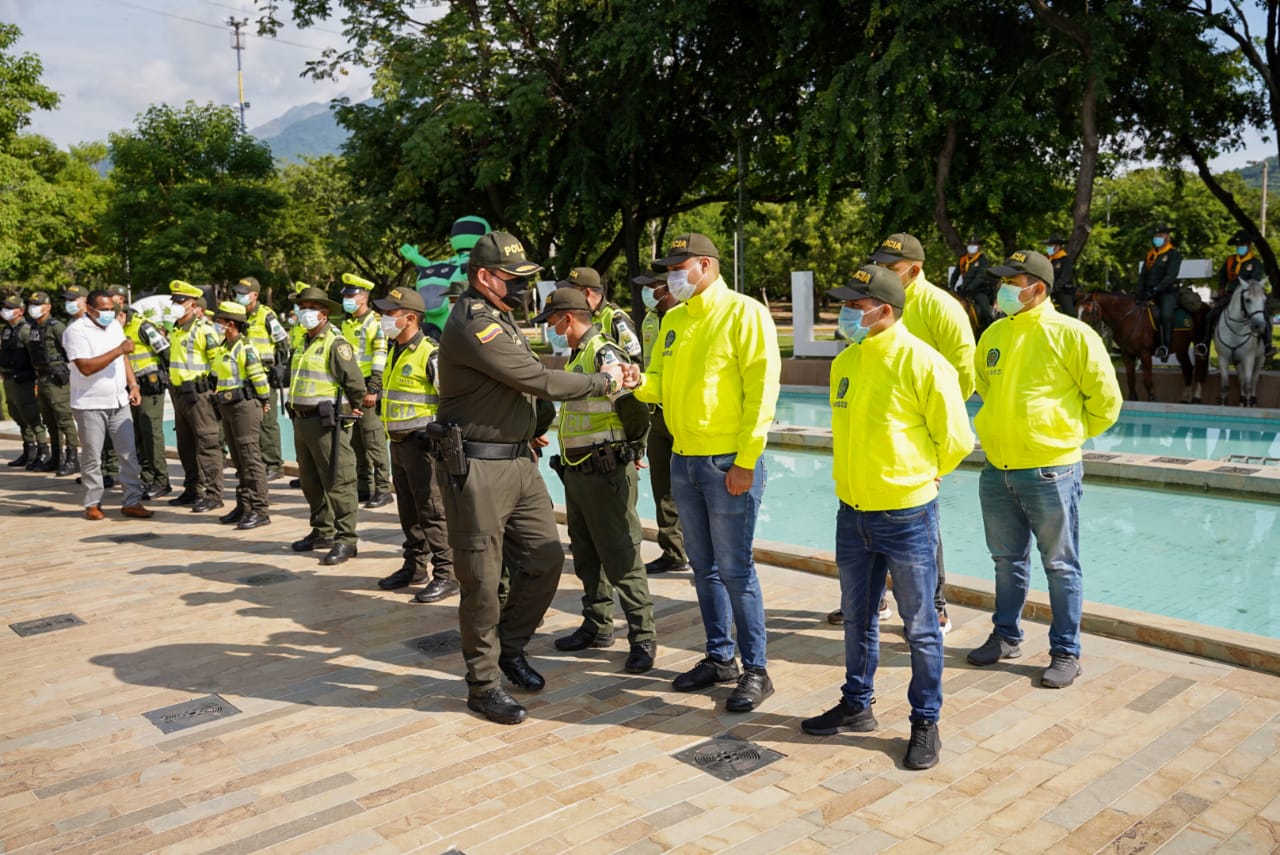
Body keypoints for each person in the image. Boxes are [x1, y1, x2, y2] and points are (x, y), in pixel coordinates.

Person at [435, 231, 627, 726]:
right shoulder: (474, 323)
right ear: (484, 277)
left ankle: (509, 648)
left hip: (519, 464)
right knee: (480, 580)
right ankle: (482, 684)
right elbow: (536, 379)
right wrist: (603, 382)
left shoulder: (501, 318)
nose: (524, 288)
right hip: (478, 468)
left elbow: (529, 384)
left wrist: (537, 428)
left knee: (544, 558)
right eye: (514, 278)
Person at [800, 264, 972, 771]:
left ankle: (925, 721)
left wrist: (924, 475)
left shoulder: (923, 362)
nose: (846, 313)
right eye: (847, 304)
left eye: (855, 305)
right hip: (852, 513)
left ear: (884, 310)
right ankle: (857, 704)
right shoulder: (846, 362)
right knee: (857, 619)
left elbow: (958, 439)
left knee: (920, 627)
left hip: (906, 515)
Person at [634, 233, 782, 713]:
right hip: (684, 458)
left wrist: (745, 460)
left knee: (737, 570)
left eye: (678, 267)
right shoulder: (673, 320)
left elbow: (762, 394)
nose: (671, 277)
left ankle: (756, 669)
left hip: (727, 463)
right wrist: (632, 380)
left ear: (704, 264)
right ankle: (720, 658)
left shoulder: (744, 314)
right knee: (704, 569)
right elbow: (657, 383)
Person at [966, 251, 1122, 688]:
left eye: (1012, 282)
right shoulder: (994, 333)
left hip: (1051, 472)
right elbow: (985, 387)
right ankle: (1006, 636)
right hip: (997, 470)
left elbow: (1106, 403)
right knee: (1006, 561)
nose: (1003, 291)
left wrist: (1060, 438)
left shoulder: (1072, 334)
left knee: (1060, 565)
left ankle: (1066, 652)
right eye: (1002, 283)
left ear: (1037, 287)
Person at [826, 233, 978, 632]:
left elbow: (962, 373)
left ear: (914, 269)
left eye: (890, 268)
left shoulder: (943, 307)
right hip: (878, 433)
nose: (881, 271)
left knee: (922, 530)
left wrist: (933, 437)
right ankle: (869, 603)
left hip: (924, 429)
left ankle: (936, 605)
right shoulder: (869, 305)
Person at [539, 288, 657, 673]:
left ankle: (643, 638)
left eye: (553, 322)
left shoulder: (604, 353)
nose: (551, 330)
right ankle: (597, 624)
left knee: (622, 554)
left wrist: (633, 451)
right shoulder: (577, 357)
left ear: (568, 319)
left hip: (607, 473)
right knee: (587, 555)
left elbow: (635, 410)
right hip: (578, 472)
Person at [372, 286, 458, 603]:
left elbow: (450, 400)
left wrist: (436, 434)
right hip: (398, 442)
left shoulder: (430, 353)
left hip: (422, 446)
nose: (383, 319)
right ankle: (414, 567)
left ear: (410, 318)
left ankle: (447, 574)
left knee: (432, 511)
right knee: (408, 511)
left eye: (389, 314)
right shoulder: (396, 350)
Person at [288, 286, 367, 565]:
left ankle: (346, 539)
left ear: (323, 313)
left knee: (338, 480)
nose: (304, 312)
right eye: (302, 307)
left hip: (326, 422)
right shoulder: (302, 341)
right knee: (311, 481)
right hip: (302, 420)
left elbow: (355, 382)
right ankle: (322, 530)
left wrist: (355, 409)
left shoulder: (335, 343)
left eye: (310, 307)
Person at [63, 289, 152, 520]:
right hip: (89, 403)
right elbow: (86, 367)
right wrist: (119, 350)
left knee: (128, 454)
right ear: (90, 309)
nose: (109, 314)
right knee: (93, 456)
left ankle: (132, 501)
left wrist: (133, 384)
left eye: (111, 309)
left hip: (119, 400)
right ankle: (93, 503)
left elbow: (124, 358)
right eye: (103, 310)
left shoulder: (114, 327)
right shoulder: (75, 332)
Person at [635, 271, 689, 575]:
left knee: (695, 485)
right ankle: (673, 551)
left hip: (683, 414)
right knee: (662, 486)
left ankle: (705, 554)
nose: (647, 292)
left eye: (651, 287)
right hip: (656, 411)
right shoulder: (650, 319)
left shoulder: (686, 317)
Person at [209, 301, 272, 530]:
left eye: (220, 321)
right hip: (228, 407)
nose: (217, 325)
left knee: (250, 458)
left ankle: (259, 509)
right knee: (238, 458)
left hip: (244, 407)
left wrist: (265, 401)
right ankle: (244, 505)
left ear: (231, 324)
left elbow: (259, 379)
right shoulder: (224, 346)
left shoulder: (245, 348)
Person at [167, 280, 224, 511]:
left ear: (192, 304)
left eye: (180, 301)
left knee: (207, 444)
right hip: (179, 395)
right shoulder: (175, 329)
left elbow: (218, 363)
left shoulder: (204, 331)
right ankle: (192, 490)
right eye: (174, 301)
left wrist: (216, 390)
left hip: (199, 395)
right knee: (185, 446)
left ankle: (213, 493)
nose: (176, 305)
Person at [339, 273, 393, 509]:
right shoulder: (347, 322)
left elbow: (380, 358)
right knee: (356, 441)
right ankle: (363, 486)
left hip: (368, 387)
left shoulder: (376, 322)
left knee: (374, 440)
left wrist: (373, 388)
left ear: (363, 298)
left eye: (351, 296)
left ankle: (383, 489)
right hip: (350, 389)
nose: (347, 300)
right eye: (346, 296)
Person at [235, 276, 291, 481]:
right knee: (250, 423)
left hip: (265, 377)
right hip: (246, 377)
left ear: (255, 295)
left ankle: (274, 464)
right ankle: (256, 463)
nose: (239, 296)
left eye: (243, 293)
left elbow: (283, 343)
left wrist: (279, 366)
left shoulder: (267, 316)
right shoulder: (240, 316)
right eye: (238, 292)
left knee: (267, 422)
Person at [121, 296, 172, 499]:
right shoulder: (118, 329)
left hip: (150, 387)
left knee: (151, 432)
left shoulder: (144, 326)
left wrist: (168, 377)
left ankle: (161, 480)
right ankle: (147, 476)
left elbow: (165, 351)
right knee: (138, 434)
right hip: (132, 388)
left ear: (122, 313)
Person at [25, 290, 79, 476]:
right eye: (32, 304)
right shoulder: (33, 327)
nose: (33, 308)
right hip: (42, 378)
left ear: (48, 307)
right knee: (49, 420)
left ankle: (72, 459)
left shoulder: (57, 327)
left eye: (37, 304)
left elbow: (71, 352)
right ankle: (56, 457)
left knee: (64, 419)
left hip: (57, 380)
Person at [1201, 230, 1273, 358]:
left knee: (1265, 317)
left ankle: (1267, 346)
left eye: (1243, 245)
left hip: (1248, 296)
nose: (1240, 248)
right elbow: (1222, 275)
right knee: (1211, 315)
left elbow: (1254, 281)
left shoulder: (1255, 263)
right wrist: (1221, 287)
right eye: (1238, 246)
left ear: (1249, 246)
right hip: (1230, 295)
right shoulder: (1230, 260)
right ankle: (1204, 344)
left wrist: (1243, 291)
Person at [0, 294, 47, 468]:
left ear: (20, 311)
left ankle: (43, 450)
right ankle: (29, 450)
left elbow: (35, 356)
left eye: (9, 308)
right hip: (10, 380)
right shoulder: (7, 329)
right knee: (18, 416)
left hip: (24, 380)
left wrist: (35, 381)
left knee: (32, 416)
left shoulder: (25, 330)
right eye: (4, 307)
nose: (5, 311)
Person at [563, 266, 643, 361]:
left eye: (573, 293)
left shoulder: (615, 318)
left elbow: (634, 361)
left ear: (587, 293)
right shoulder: (584, 315)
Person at [1136, 225, 1182, 361]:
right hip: (1149, 292)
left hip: (1167, 292)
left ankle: (1166, 347)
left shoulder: (1174, 254)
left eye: (1160, 236)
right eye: (1155, 237)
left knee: (1165, 315)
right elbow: (1143, 274)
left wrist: (1156, 289)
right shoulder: (1151, 254)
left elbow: (1170, 276)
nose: (1157, 239)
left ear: (1167, 238)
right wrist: (1140, 291)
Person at [949, 234, 994, 329]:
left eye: (975, 244)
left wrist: (970, 287)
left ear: (979, 247)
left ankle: (989, 329)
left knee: (986, 311)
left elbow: (980, 277)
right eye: (970, 244)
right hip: (963, 290)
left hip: (978, 291)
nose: (972, 246)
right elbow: (955, 275)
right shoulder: (963, 260)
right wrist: (951, 288)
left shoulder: (983, 261)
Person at [1044, 235, 1076, 316]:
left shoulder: (1065, 260)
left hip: (1061, 291)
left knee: (1070, 313)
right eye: (1048, 246)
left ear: (1058, 247)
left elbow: (1065, 278)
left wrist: (1053, 289)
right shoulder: (1047, 259)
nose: (1048, 248)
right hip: (1046, 290)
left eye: (1050, 246)